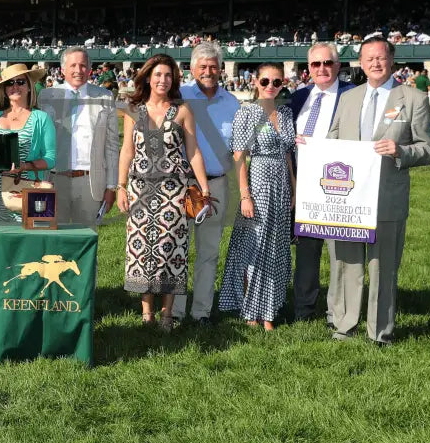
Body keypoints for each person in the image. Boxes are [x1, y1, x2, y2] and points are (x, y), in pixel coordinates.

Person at [326, 37, 430, 345]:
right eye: (369, 58)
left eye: (381, 57)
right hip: (348, 198)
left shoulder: (413, 98)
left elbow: (428, 149)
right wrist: (313, 149)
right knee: (348, 264)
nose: (375, 63)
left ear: (392, 60)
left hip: (387, 196)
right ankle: (344, 326)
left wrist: (400, 150)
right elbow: (332, 140)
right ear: (360, 63)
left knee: (383, 266)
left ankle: (380, 332)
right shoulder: (349, 98)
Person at [116, 54, 211, 330]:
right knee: (143, 249)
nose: (163, 80)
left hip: (174, 190)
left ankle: (167, 314)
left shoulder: (182, 110)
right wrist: (120, 186)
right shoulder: (133, 109)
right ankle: (147, 313)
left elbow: (193, 151)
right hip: (140, 190)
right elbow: (127, 151)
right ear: (148, 77)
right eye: (158, 74)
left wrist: (204, 188)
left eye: (168, 75)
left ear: (174, 80)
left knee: (171, 249)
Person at [218, 64, 297, 330]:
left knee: (275, 249)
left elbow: (288, 154)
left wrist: (294, 189)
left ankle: (270, 308)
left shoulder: (285, 113)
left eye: (276, 82)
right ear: (255, 81)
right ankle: (252, 311)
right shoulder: (246, 112)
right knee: (255, 247)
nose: (270, 86)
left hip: (282, 186)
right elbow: (239, 156)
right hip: (258, 183)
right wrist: (244, 195)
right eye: (265, 81)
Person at [174, 42, 241, 324]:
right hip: (181, 185)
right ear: (192, 68)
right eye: (202, 66)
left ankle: (201, 311)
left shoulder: (232, 103)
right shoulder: (179, 96)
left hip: (215, 185)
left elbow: (237, 148)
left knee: (209, 251)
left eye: (213, 66)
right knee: (177, 249)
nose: (208, 71)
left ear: (221, 69)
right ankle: (174, 311)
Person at [289, 44, 353, 323]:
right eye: (316, 64)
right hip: (303, 184)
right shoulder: (297, 97)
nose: (322, 68)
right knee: (306, 249)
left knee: (340, 252)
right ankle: (303, 310)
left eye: (328, 62)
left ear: (338, 66)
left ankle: (336, 313)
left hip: (339, 184)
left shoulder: (352, 95)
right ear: (308, 68)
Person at [0, 64, 57, 244]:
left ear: (29, 85)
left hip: (23, 192)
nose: (15, 87)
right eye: (10, 83)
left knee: (24, 252)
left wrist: (26, 166)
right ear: (3, 89)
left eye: (20, 82)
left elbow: (50, 158)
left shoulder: (41, 118)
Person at [38, 46, 119, 227]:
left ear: (89, 69)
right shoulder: (46, 96)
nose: (78, 70)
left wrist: (112, 186)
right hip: (54, 179)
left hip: (90, 182)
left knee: (86, 242)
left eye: (83, 66)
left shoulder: (104, 97)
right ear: (62, 69)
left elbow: (112, 146)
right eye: (73, 65)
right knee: (54, 241)